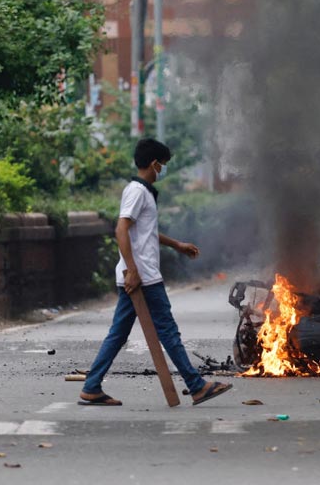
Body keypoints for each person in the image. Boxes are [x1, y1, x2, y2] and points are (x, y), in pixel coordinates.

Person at [80, 139, 232, 407]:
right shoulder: (138, 191)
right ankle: (197, 386)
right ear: (154, 164)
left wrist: (177, 245)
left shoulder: (140, 191)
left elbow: (145, 231)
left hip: (140, 275)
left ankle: (92, 386)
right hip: (144, 278)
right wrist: (132, 270)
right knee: (168, 331)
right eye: (162, 165)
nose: (162, 169)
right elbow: (121, 229)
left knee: (118, 334)